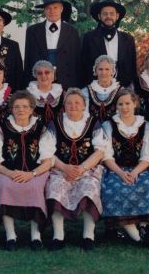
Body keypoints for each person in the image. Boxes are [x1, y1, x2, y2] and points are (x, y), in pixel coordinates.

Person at [0, 91, 53, 251]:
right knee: (4, 186)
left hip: (35, 172)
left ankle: (35, 236)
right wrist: (10, 174)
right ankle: (11, 235)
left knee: (35, 187)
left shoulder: (41, 129)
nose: (21, 110)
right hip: (6, 172)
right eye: (16, 107)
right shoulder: (1, 129)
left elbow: (48, 160)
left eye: (25, 106)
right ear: (11, 109)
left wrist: (32, 174)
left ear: (32, 109)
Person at [100, 89, 149, 246]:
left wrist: (135, 172)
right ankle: (136, 236)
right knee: (115, 189)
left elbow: (147, 156)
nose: (124, 107)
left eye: (128, 103)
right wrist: (122, 173)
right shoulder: (108, 126)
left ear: (135, 104)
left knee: (148, 186)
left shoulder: (146, 126)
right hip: (116, 169)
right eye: (120, 104)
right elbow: (106, 156)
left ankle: (144, 227)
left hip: (140, 169)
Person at [44, 88, 106, 251]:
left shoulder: (93, 123)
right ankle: (58, 235)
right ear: (64, 106)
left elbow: (100, 151)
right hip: (60, 169)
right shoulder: (55, 122)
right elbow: (48, 152)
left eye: (77, 103)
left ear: (84, 105)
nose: (73, 106)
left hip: (87, 169)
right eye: (69, 103)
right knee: (55, 188)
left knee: (90, 188)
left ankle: (88, 235)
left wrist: (82, 168)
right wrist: (65, 167)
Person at [23, 0, 81, 88]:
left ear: (61, 9)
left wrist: (75, 88)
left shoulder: (72, 31)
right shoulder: (32, 31)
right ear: (44, 10)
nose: (52, 11)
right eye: (48, 8)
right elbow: (28, 62)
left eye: (55, 7)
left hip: (66, 84)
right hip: (40, 83)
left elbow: (77, 62)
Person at [81, 0, 137, 87]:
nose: (108, 16)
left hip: (122, 89)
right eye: (105, 13)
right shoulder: (88, 38)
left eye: (112, 13)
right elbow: (83, 67)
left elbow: (133, 67)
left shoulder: (128, 39)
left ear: (117, 16)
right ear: (99, 16)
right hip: (96, 88)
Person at [81, 55, 122, 123]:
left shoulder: (121, 91)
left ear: (113, 71)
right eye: (100, 69)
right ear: (95, 71)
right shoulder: (85, 92)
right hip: (93, 130)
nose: (103, 73)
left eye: (107, 69)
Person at [26, 60, 63, 125]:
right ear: (35, 75)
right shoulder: (27, 95)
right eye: (39, 73)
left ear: (52, 74)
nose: (43, 75)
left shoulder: (63, 94)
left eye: (47, 72)